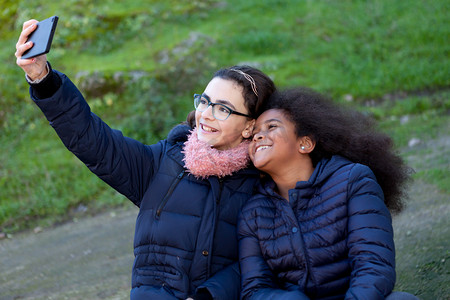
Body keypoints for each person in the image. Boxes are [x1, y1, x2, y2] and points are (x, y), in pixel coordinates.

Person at [15, 19, 276, 300]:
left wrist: (209, 295)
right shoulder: (162, 162)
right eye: (204, 101)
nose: (206, 114)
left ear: (249, 126)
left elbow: (266, 259)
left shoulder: (263, 182)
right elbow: (91, 139)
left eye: (223, 109)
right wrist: (42, 78)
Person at [238, 87, 419, 299]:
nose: (259, 136)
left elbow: (374, 265)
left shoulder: (353, 181)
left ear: (305, 143)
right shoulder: (253, 213)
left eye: (272, 127)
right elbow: (255, 290)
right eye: (255, 133)